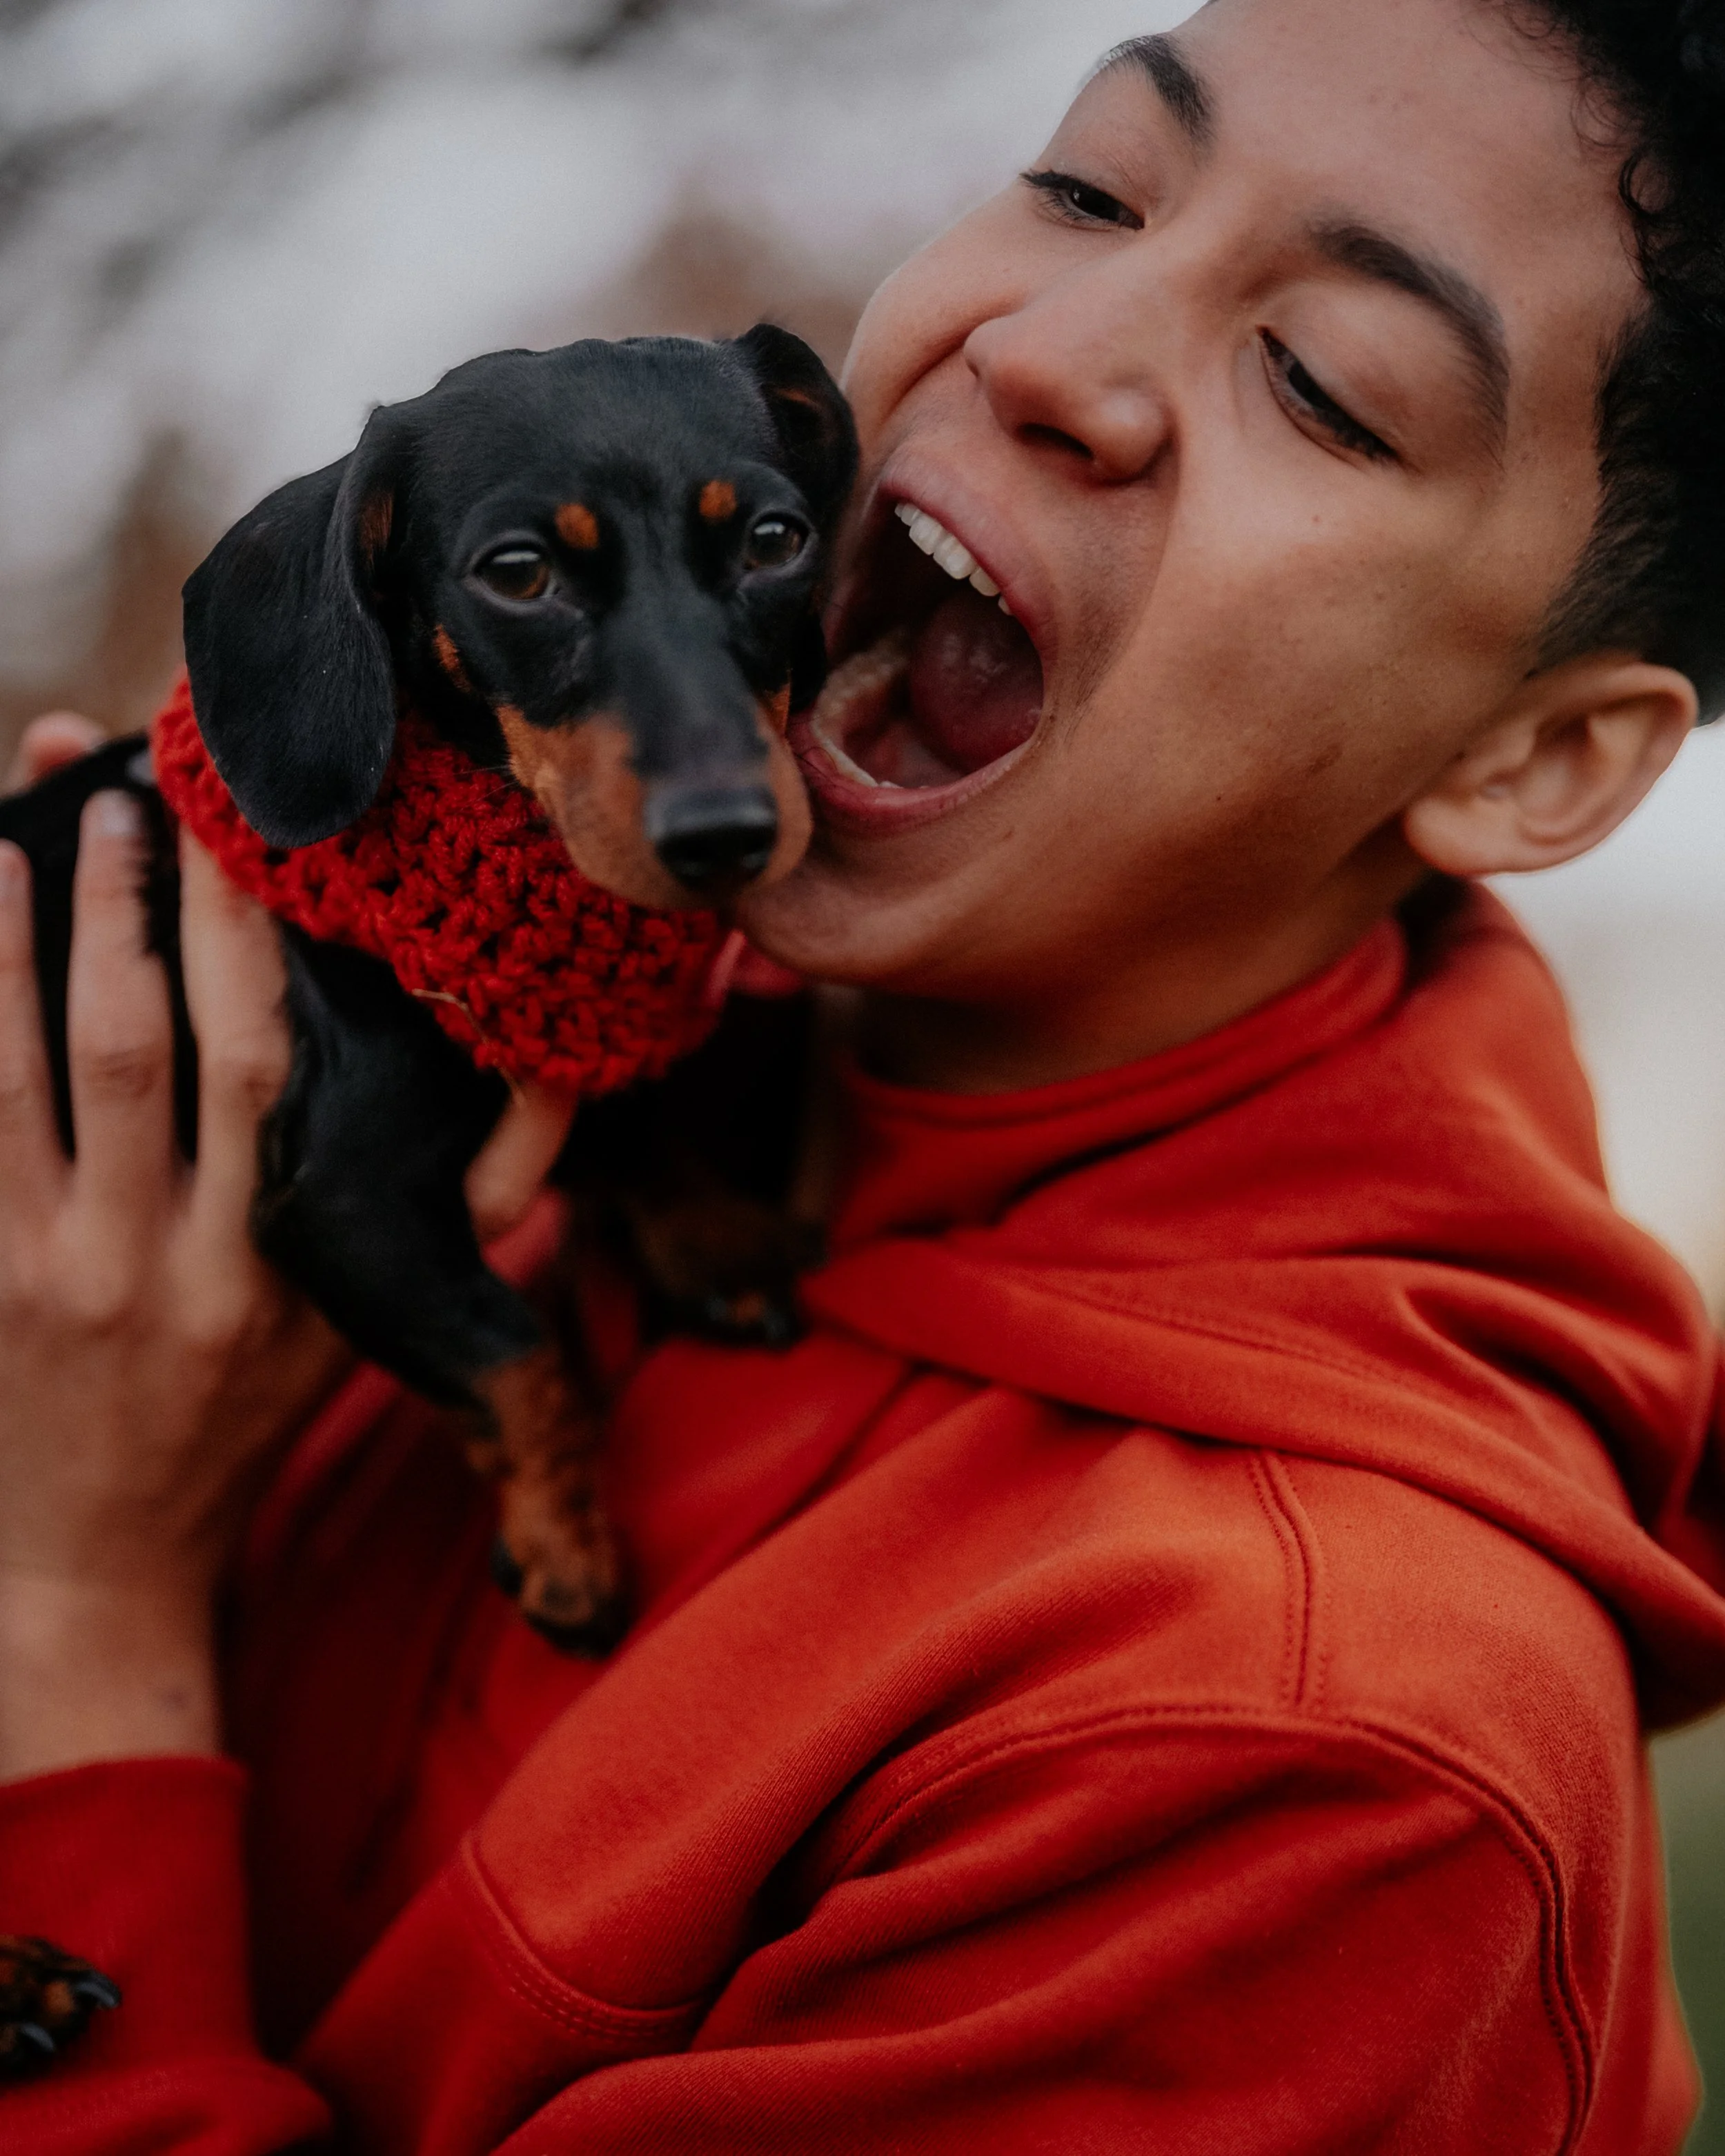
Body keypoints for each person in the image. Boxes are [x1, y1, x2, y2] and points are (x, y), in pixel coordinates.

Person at [3, 0, 1724, 2144]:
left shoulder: (1308, 1769)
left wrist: (70, 1611)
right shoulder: (517, 1031)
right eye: (1088, 184)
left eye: (1321, 383)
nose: (1045, 354)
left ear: (1538, 756)